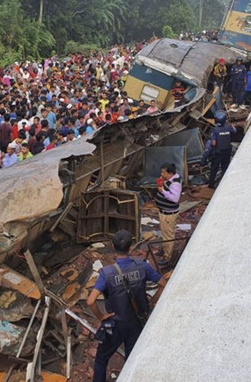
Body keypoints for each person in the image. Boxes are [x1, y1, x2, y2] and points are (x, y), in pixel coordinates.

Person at [87, 230, 167, 382]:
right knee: (132, 360)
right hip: (137, 321)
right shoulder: (143, 266)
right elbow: (163, 284)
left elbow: (90, 301)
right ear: (131, 247)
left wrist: (101, 316)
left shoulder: (107, 273)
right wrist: (151, 302)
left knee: (101, 358)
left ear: (112, 246)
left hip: (116, 324)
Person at [155, 162, 182, 266]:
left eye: (163, 172)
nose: (161, 174)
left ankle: (167, 256)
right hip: (164, 211)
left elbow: (175, 199)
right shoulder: (170, 179)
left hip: (168, 214)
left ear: (170, 173)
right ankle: (165, 249)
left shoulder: (175, 184)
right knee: (165, 233)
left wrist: (163, 191)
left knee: (168, 236)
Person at [208, 111, 237, 189]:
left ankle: (211, 185)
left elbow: (213, 143)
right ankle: (225, 184)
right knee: (225, 167)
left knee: (214, 168)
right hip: (227, 151)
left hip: (218, 152)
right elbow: (234, 131)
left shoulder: (215, 130)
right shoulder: (229, 127)